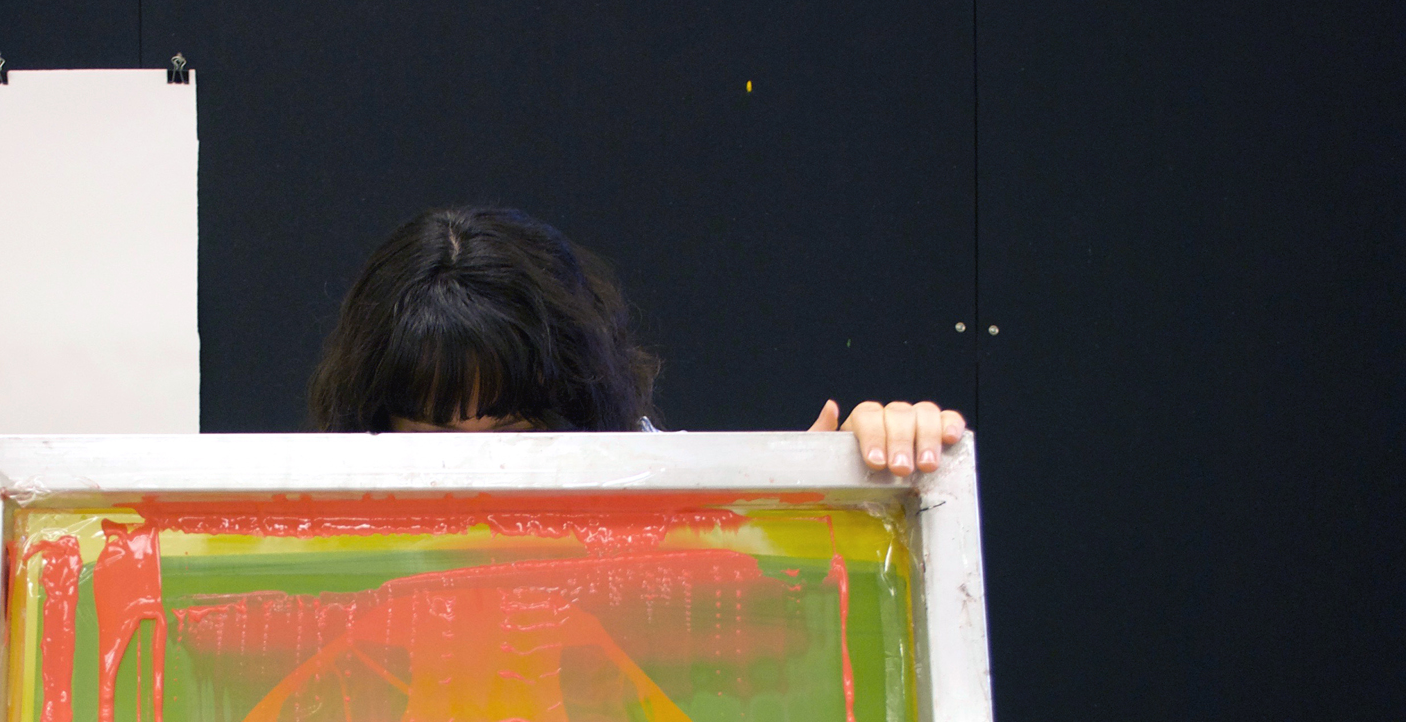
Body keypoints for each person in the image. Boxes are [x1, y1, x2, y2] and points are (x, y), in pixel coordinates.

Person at [309, 206, 963, 475]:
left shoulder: (673, 504)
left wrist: (869, 466)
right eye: (438, 444)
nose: (483, 476)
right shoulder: (308, 567)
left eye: (514, 435)